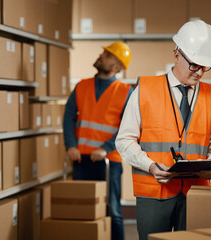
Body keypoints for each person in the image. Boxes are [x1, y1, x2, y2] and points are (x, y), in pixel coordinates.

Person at [115, 20, 211, 240]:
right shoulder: (144, 90)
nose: (200, 73)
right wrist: (151, 166)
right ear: (177, 55)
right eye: (194, 65)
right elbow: (124, 140)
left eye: (205, 67)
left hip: (197, 192)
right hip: (154, 191)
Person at [63, 42, 133, 240]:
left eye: (108, 55)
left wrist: (106, 148)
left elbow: (127, 127)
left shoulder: (125, 91)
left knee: (113, 211)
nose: (102, 55)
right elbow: (69, 116)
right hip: (80, 160)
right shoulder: (82, 86)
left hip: (109, 162)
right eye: (104, 52)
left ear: (116, 67)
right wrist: (70, 145)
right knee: (81, 212)